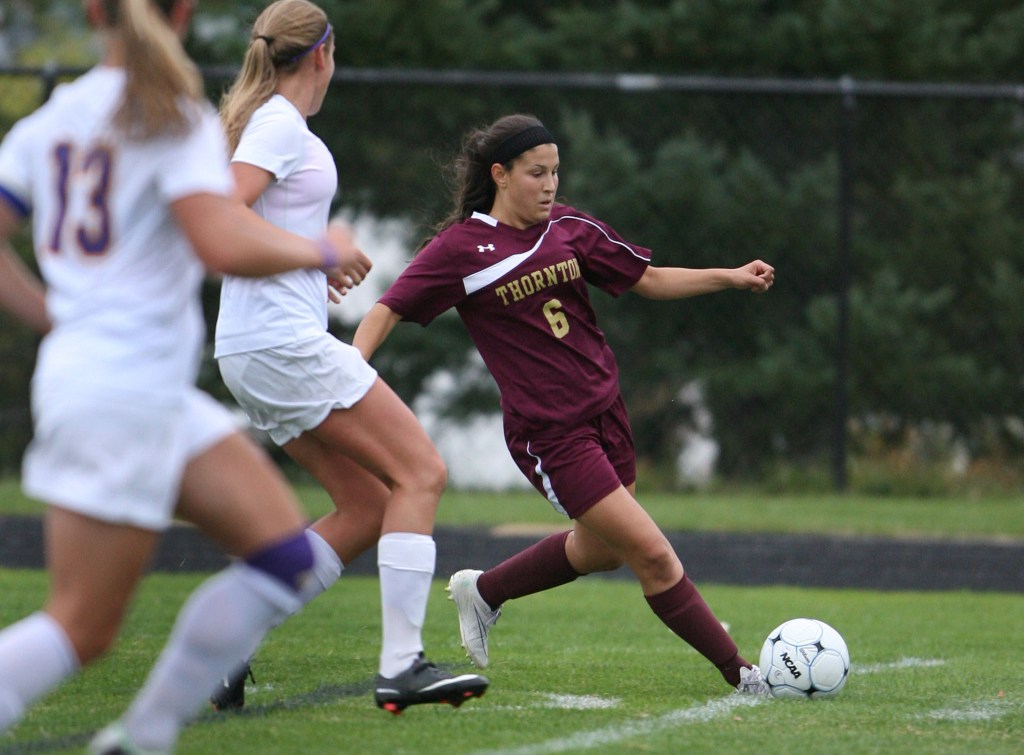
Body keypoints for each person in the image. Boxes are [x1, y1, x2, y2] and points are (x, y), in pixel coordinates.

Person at [0, 0, 372, 751]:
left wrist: (56, 318)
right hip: (128, 389)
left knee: (282, 555)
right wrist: (322, 251)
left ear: (90, 12)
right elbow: (219, 242)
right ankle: (144, 734)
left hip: (109, 384)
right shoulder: (172, 114)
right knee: (81, 624)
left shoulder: (47, 123)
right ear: (185, 12)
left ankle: (143, 735)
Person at [353, 113, 776, 697]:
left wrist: (728, 277)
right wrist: (352, 373)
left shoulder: (570, 226)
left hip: (607, 412)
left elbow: (647, 279)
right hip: (551, 435)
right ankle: (746, 676)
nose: (550, 184)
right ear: (499, 174)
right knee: (651, 554)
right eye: (536, 173)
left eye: (555, 171)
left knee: (601, 551)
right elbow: (387, 308)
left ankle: (485, 592)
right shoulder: (461, 249)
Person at [211, 0, 488, 714]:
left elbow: (255, 222)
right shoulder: (277, 121)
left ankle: (229, 641)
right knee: (422, 470)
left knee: (366, 504)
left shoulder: (266, 119)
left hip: (254, 346)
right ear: (324, 55)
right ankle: (402, 666)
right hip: (279, 343)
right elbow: (223, 216)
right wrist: (317, 251)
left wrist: (312, 262)